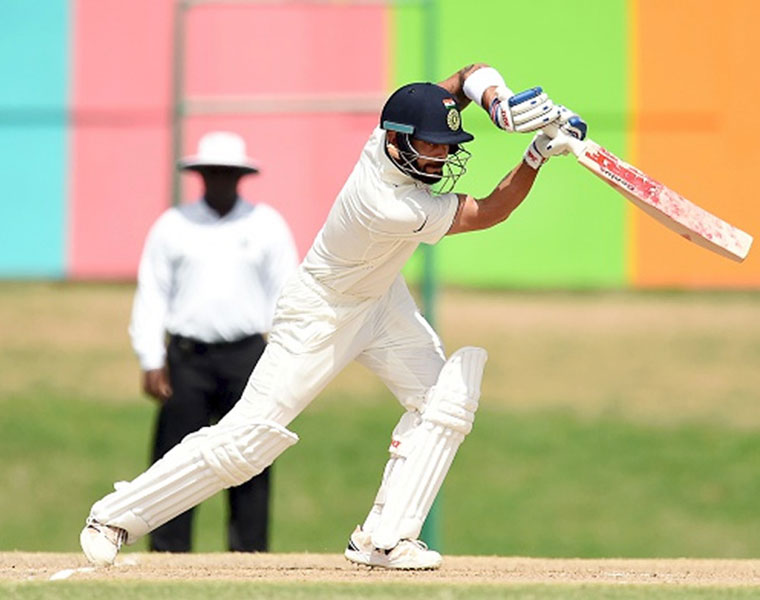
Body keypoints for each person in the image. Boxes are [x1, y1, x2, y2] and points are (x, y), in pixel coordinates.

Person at [80, 63, 586, 570]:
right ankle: (113, 518)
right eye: (430, 145)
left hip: (379, 300)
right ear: (396, 140)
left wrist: (499, 102)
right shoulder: (387, 203)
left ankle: (384, 540)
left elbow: (465, 75)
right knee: (246, 442)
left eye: (446, 145)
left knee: (445, 399)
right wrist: (537, 153)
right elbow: (492, 210)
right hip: (320, 312)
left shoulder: (384, 138)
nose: (441, 156)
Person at [128, 131, 298, 553]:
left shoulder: (266, 225)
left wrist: (285, 362)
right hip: (188, 358)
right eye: (213, 173)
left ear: (241, 177)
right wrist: (151, 358)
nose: (220, 181)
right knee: (173, 465)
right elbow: (152, 293)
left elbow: (288, 295)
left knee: (249, 461)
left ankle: (249, 557)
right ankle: (167, 556)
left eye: (228, 174)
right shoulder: (174, 226)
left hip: (248, 358)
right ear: (200, 176)